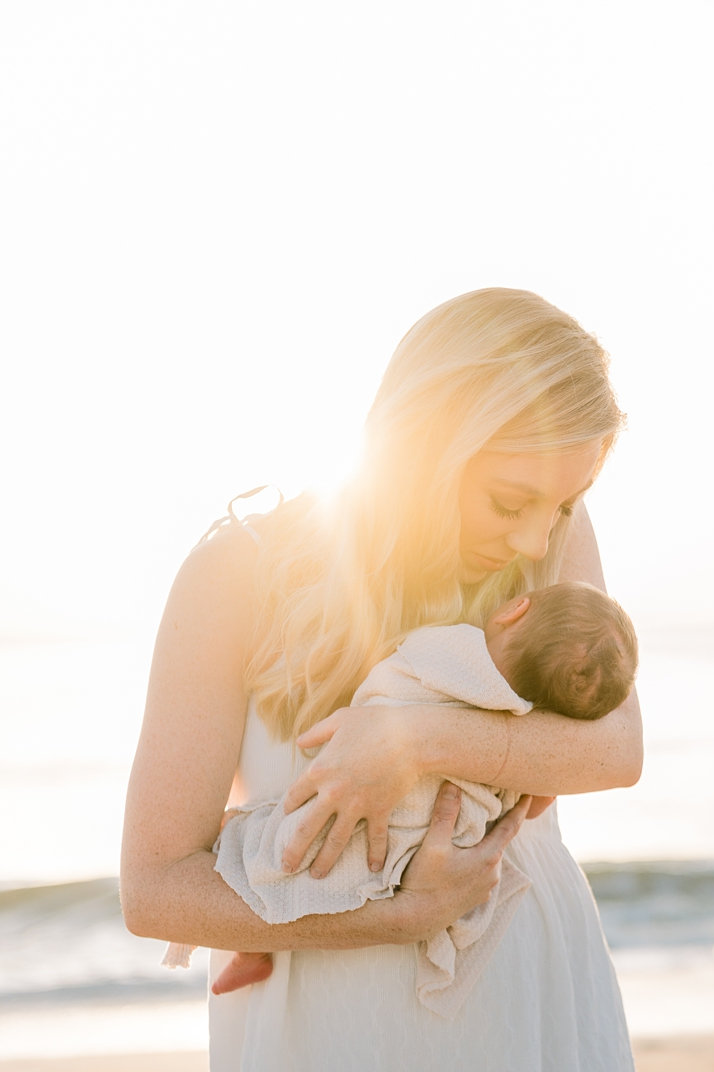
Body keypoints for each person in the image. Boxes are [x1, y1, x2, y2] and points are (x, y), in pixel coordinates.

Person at [121, 289, 643, 1071]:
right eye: (509, 501)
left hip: (529, 992)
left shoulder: (552, 537)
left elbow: (616, 752)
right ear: (426, 447)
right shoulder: (236, 573)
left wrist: (416, 740)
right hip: (326, 1025)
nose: (536, 536)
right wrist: (400, 915)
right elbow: (155, 887)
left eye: (565, 505)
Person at [167, 581, 638, 1016]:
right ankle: (257, 946)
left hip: (357, 812)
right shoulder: (526, 728)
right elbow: (531, 806)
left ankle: (252, 947)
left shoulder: (446, 647)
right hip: (419, 853)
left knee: (266, 846)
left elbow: (388, 670)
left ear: (515, 610)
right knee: (323, 874)